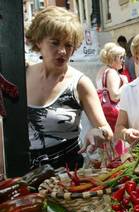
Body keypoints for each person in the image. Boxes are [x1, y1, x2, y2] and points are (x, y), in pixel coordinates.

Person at [25, 6, 112, 169]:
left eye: (69, 45)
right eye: (55, 43)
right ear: (38, 41)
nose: (63, 51)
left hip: (68, 175)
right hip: (23, 175)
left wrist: (98, 132)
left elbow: (105, 129)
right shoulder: (21, 75)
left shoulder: (80, 83)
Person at [96, 42, 128, 131]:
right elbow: (115, 96)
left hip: (103, 112)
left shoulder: (102, 70)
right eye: (121, 57)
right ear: (113, 59)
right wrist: (125, 83)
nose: (123, 60)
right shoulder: (112, 72)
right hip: (113, 114)